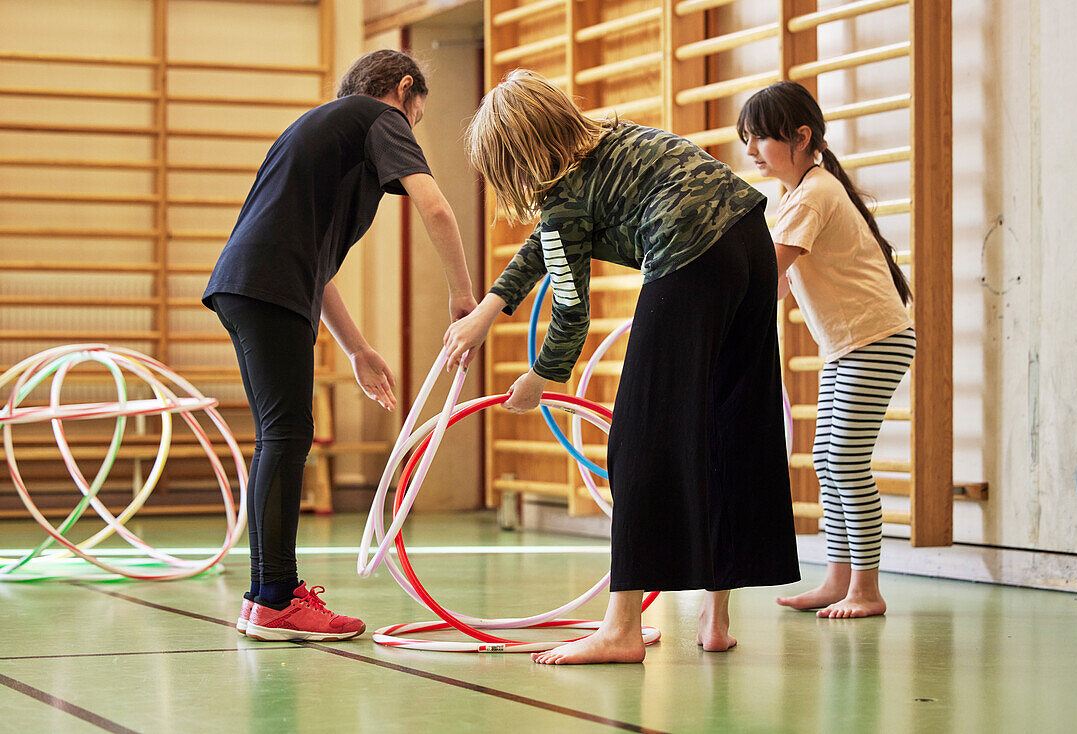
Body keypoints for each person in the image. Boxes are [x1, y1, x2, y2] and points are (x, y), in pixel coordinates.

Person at [443, 70, 799, 665]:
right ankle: (715, 620)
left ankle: (621, 628)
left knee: (639, 438)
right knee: (727, 423)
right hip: (749, 240)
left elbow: (570, 308)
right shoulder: (608, 140)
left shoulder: (560, 198)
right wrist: (490, 308)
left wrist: (541, 377)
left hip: (690, 253)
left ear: (514, 159)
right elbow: (549, 240)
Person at [203, 50, 477, 641]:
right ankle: (276, 598)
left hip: (253, 285)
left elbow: (317, 264)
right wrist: (464, 296)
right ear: (403, 89)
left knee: (282, 436)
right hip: (266, 288)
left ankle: (265, 597)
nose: (411, 131)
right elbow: (436, 207)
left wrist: (355, 348)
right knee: (286, 436)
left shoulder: (319, 132)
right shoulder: (376, 119)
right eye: (417, 116)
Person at [737, 81, 916, 619]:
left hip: (874, 338)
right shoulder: (798, 195)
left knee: (844, 459)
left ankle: (867, 589)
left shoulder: (814, 193)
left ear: (800, 137)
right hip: (848, 343)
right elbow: (779, 283)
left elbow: (767, 276)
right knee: (826, 460)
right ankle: (840, 580)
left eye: (759, 139)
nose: (750, 153)